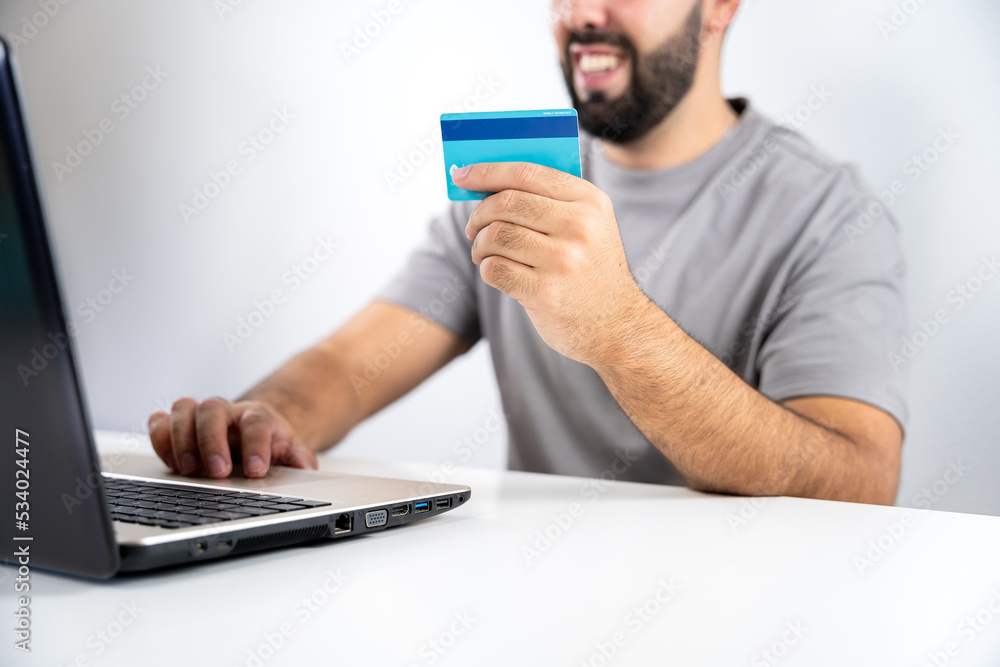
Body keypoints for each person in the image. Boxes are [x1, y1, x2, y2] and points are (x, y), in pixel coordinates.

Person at [148, 0, 907, 505]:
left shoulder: (830, 215)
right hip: (537, 606)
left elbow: (863, 481)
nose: (580, 14)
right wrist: (264, 420)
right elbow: (350, 367)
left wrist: (618, 331)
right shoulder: (517, 188)